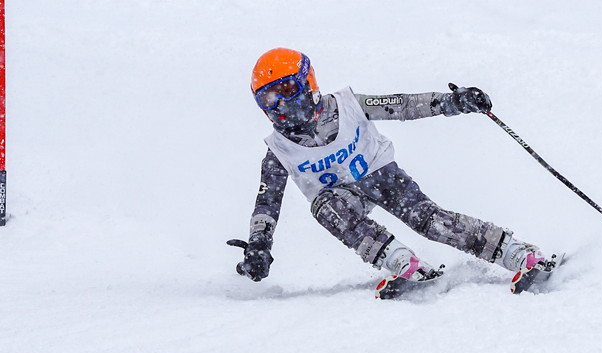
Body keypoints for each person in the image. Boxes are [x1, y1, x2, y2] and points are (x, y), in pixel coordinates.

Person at [232, 48, 553, 296]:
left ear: (307, 83)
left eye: (286, 90)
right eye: (269, 99)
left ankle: (517, 253)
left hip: (380, 174)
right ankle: (401, 262)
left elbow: (401, 105)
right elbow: (267, 201)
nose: (280, 106)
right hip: (341, 197)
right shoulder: (278, 150)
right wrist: (260, 243)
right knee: (324, 207)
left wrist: (451, 102)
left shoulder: (348, 105)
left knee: (429, 221)